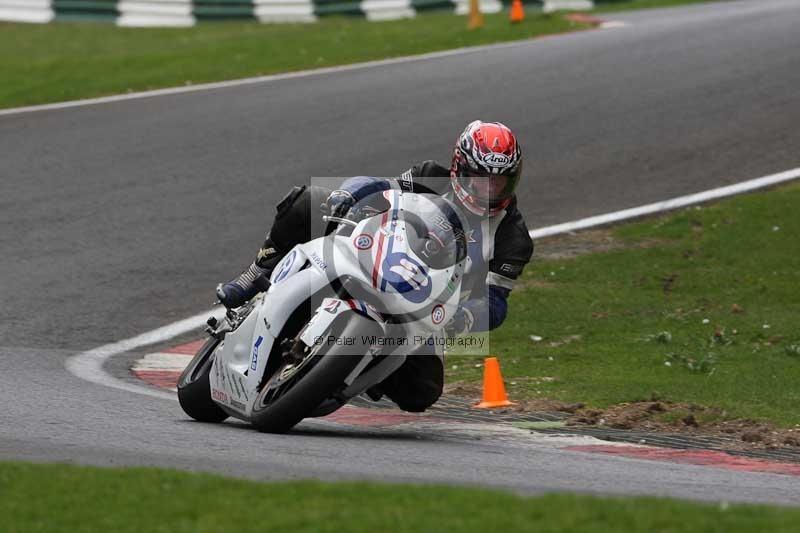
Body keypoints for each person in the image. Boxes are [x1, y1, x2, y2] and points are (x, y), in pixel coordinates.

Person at [217, 120, 534, 412]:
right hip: (377, 253)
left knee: (421, 393)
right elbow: (379, 187)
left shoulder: (513, 238)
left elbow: (495, 303)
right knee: (308, 202)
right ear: (459, 169)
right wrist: (346, 196)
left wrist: (463, 319)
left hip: (427, 309)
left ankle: (358, 368)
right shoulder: (430, 175)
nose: (490, 191)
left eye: (500, 183)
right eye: (482, 181)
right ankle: (255, 275)